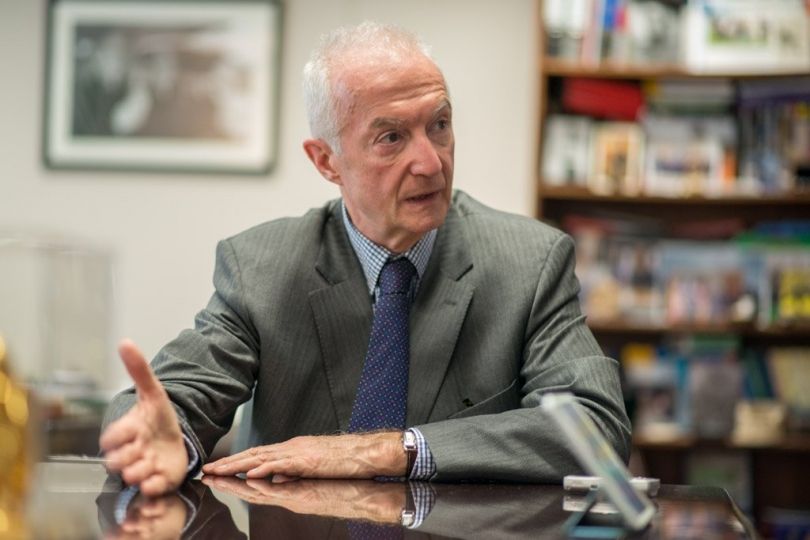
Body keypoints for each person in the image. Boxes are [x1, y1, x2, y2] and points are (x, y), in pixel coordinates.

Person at [100, 21, 631, 497]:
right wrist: (158, 435)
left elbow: (596, 427)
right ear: (326, 161)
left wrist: (394, 450)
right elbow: (169, 402)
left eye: (439, 124)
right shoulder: (262, 267)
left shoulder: (529, 262)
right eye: (391, 137)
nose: (431, 162)